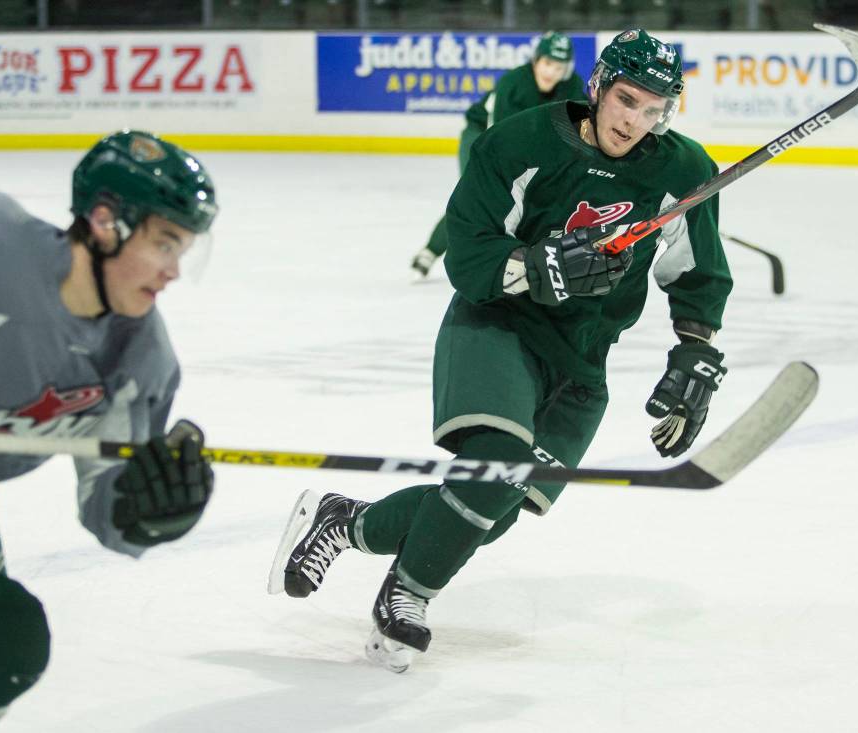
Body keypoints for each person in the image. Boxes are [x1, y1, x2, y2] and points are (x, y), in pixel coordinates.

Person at [272, 28, 732, 673]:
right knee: (499, 463)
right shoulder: (521, 141)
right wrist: (540, 264)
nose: (637, 121)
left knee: (502, 505)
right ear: (599, 88)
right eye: (628, 100)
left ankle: (347, 523)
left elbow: (697, 274)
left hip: (584, 359)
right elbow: (467, 253)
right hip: (499, 326)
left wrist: (694, 354)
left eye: (655, 109)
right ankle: (407, 596)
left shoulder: (682, 171)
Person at [0, 129, 218, 730]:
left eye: (183, 251)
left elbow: (108, 503)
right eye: (164, 243)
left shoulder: (137, 359)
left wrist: (151, 508)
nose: (172, 271)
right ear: (106, 221)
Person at [410, 31, 587, 280]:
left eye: (558, 67)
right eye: (547, 64)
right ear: (536, 60)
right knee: (481, 197)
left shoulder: (571, 87)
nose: (550, 73)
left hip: (530, 145)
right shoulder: (512, 84)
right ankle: (432, 251)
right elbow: (500, 139)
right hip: (482, 136)